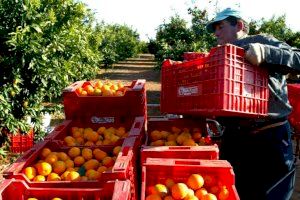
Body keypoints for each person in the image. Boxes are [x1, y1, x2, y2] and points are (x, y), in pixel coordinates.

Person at [206, 8, 300, 200]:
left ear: (239, 25)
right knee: (234, 191)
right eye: (214, 28)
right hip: (236, 138)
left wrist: (266, 53)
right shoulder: (219, 55)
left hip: (270, 136)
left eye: (220, 27)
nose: (216, 33)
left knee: (271, 194)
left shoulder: (261, 42)